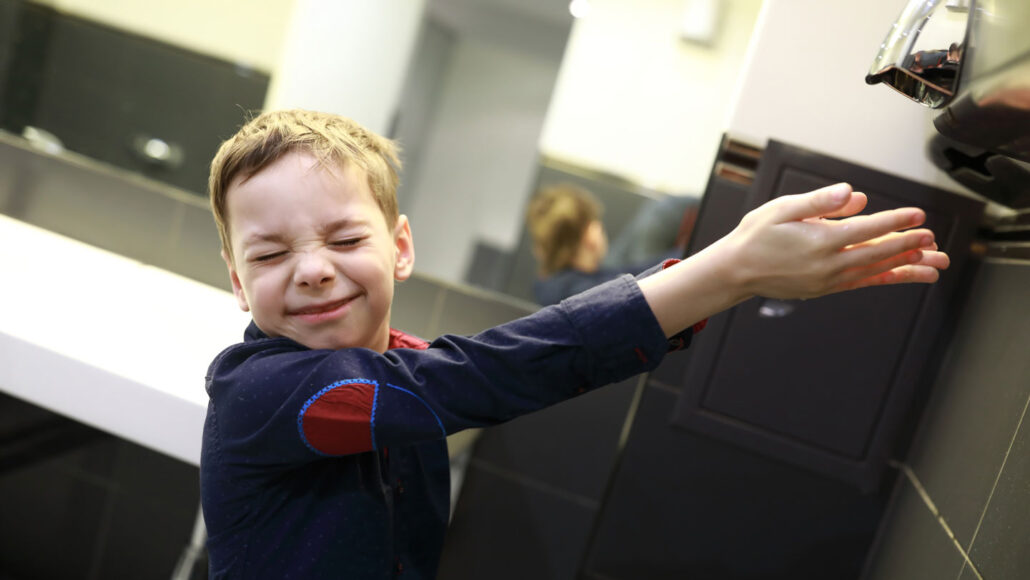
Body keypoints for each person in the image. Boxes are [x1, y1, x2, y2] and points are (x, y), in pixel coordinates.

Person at [200, 109, 948, 579]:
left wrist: (732, 279)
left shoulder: (398, 364)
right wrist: (732, 269)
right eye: (269, 256)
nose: (313, 269)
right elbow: (468, 381)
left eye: (343, 237)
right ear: (238, 283)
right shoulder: (259, 395)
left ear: (399, 247)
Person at [526, 183, 694, 305]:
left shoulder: (558, 284)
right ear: (590, 234)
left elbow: (630, 272)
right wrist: (689, 252)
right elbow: (637, 280)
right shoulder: (587, 292)